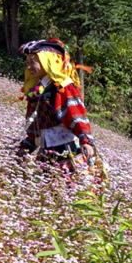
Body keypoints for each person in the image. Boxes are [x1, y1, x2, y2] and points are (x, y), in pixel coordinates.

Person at [16, 38, 101, 182]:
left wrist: (85, 140)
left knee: (73, 185)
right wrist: (27, 145)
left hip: (68, 148)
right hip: (47, 150)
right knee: (49, 186)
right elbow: (36, 122)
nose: (29, 67)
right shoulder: (37, 91)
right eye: (27, 62)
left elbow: (75, 114)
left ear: (47, 61)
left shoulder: (62, 87)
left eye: (33, 62)